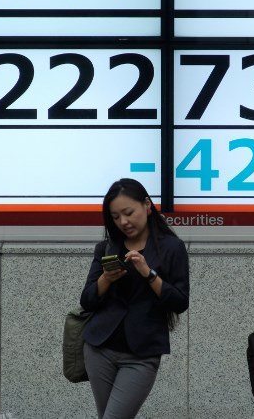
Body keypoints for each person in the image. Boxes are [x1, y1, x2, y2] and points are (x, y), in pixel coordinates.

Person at [80, 178, 190, 419]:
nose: (123, 222)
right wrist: (106, 279)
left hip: (141, 355)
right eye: (116, 217)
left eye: (128, 213)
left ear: (147, 205)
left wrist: (148, 273)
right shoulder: (107, 248)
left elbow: (180, 302)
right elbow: (87, 300)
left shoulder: (172, 247)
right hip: (99, 348)